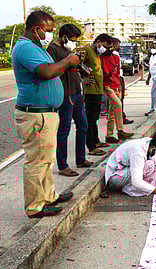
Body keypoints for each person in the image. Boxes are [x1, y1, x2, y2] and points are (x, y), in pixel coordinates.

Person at [12, 11, 79, 218]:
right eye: (48, 31)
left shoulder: (36, 47)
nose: (51, 35)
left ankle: (48, 196)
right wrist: (67, 61)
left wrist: (68, 65)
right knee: (37, 161)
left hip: (46, 113)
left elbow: (52, 70)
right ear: (36, 29)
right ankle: (35, 206)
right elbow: (46, 72)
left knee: (46, 159)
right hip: (36, 115)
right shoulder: (25, 48)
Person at [46, 24, 93, 177]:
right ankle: (63, 165)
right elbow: (51, 70)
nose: (74, 42)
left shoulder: (67, 50)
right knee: (64, 130)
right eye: (73, 39)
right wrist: (68, 63)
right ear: (65, 36)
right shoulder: (53, 50)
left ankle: (80, 159)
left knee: (83, 126)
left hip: (77, 92)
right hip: (66, 94)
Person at [103, 129, 156, 201]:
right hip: (115, 176)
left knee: (155, 168)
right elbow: (136, 181)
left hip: (126, 170)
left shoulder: (154, 144)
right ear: (154, 149)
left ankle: (139, 187)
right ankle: (128, 189)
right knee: (149, 165)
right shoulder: (138, 152)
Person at [83, 34, 113, 155]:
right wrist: (83, 78)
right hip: (90, 91)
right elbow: (76, 64)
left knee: (95, 118)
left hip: (97, 90)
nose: (105, 49)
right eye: (105, 46)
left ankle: (96, 141)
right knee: (90, 119)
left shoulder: (97, 54)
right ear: (99, 42)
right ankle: (91, 146)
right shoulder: (86, 50)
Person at [101, 38, 134, 144]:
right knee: (118, 105)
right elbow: (106, 73)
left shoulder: (115, 57)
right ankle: (120, 130)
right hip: (107, 85)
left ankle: (109, 134)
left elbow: (117, 73)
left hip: (115, 85)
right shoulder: (101, 58)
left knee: (112, 111)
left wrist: (119, 87)